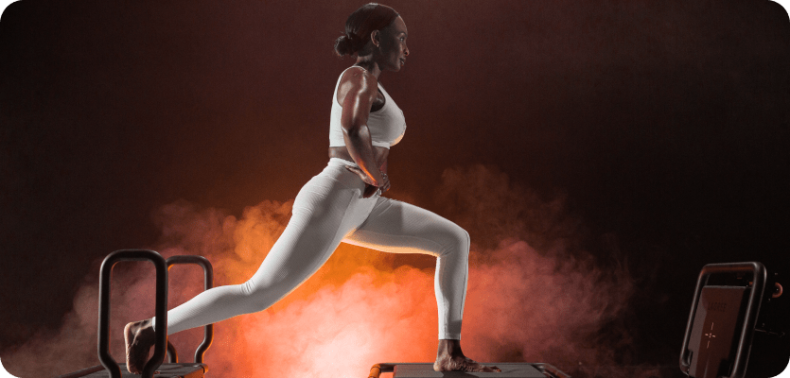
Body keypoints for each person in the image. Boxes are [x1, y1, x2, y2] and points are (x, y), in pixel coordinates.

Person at [124, 3, 500, 373]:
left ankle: (448, 352)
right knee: (257, 294)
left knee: (454, 239)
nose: (406, 48)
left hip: (361, 207)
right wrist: (373, 173)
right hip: (334, 198)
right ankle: (148, 329)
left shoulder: (370, 81)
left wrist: (372, 182)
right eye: (400, 38)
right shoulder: (357, 77)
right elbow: (353, 128)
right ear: (376, 37)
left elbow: (361, 129)